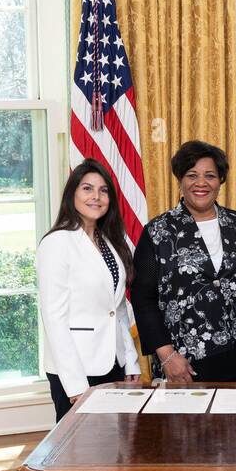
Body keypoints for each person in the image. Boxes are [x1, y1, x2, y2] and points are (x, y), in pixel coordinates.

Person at [131, 140, 236, 382]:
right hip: (181, 364)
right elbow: (143, 298)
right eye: (192, 175)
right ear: (180, 180)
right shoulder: (157, 231)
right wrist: (166, 355)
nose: (201, 183)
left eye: (210, 175)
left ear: (220, 181)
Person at [37, 158, 141, 421]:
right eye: (87, 188)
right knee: (78, 453)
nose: (96, 197)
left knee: (113, 449)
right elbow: (54, 317)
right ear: (72, 194)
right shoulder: (57, 242)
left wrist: (129, 359)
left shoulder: (109, 242)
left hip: (112, 363)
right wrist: (76, 385)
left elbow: (116, 310)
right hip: (77, 368)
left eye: (103, 190)